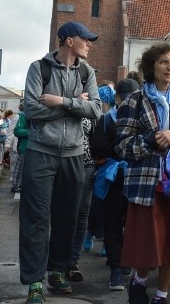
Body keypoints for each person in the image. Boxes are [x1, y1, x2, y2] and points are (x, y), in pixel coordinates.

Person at [19, 21, 102, 304]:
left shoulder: (87, 71)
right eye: (85, 39)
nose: (89, 44)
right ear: (68, 41)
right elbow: (31, 109)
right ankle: (33, 282)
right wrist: (73, 104)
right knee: (36, 218)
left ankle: (57, 270)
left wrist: (61, 102)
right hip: (40, 152)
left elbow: (96, 110)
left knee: (66, 218)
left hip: (74, 155)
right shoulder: (38, 68)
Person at [115, 43, 170, 304]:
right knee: (148, 244)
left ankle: (162, 295)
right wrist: (151, 141)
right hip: (146, 182)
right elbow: (121, 146)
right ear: (151, 66)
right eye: (164, 62)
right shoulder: (134, 100)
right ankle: (139, 279)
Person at [66, 85, 111, 282]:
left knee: (82, 211)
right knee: (64, 212)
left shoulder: (94, 110)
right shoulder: (65, 104)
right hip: (64, 165)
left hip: (87, 166)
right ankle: (59, 261)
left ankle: (72, 261)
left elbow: (97, 138)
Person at [101, 78, 141, 291]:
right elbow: (99, 147)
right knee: (113, 223)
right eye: (125, 98)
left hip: (137, 176)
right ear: (117, 98)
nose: (127, 102)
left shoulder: (142, 117)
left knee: (133, 223)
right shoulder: (108, 119)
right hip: (113, 178)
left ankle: (125, 260)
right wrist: (122, 150)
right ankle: (116, 268)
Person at [11, 109, 29, 194]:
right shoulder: (24, 115)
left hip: (38, 150)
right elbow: (17, 131)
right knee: (20, 169)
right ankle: (16, 185)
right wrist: (31, 132)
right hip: (24, 148)